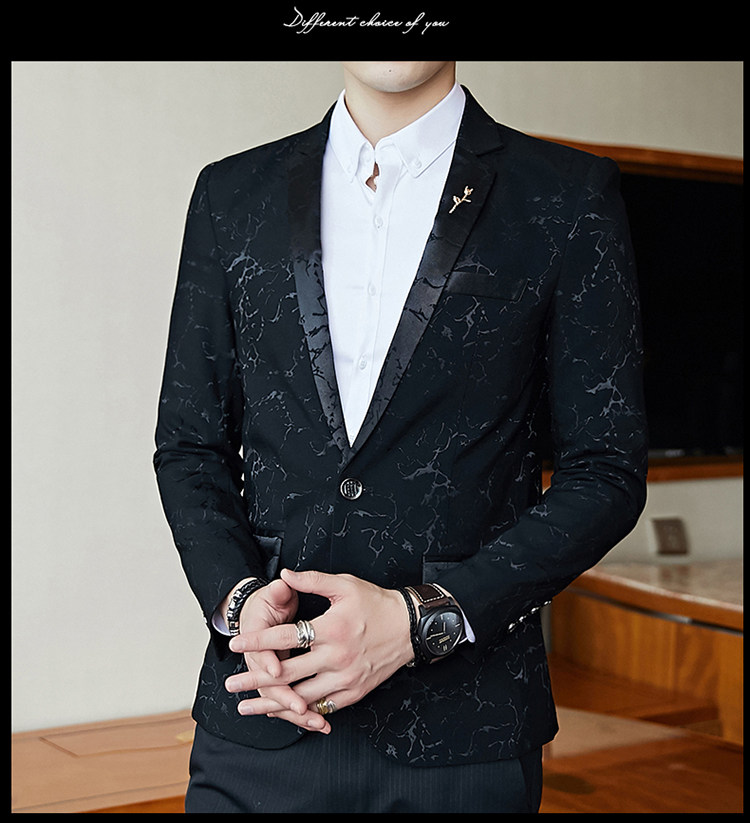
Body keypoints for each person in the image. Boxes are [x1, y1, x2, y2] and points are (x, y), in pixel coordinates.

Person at [154, 61, 648, 813]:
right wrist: (241, 599)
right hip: (262, 714)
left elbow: (606, 470)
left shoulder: (568, 193)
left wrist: (424, 620)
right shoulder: (231, 193)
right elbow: (190, 446)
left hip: (464, 736)